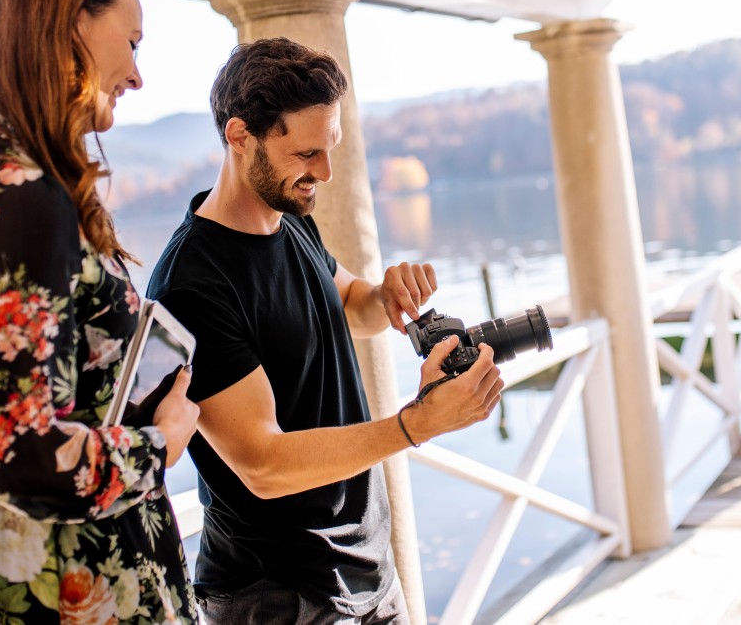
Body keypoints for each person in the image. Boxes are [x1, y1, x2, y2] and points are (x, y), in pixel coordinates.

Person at [146, 37, 505, 624]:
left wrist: (387, 295)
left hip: (363, 567)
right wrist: (415, 425)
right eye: (307, 153)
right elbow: (263, 463)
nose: (327, 172)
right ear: (240, 137)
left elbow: (350, 305)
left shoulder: (290, 221)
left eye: (331, 147)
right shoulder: (192, 283)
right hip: (278, 594)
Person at [0, 0, 201, 624]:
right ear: (73, 20)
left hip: (53, 564)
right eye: (132, 41)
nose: (137, 74)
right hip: (68, 582)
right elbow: (20, 454)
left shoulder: (1, 183)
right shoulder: (21, 195)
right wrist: (157, 444)